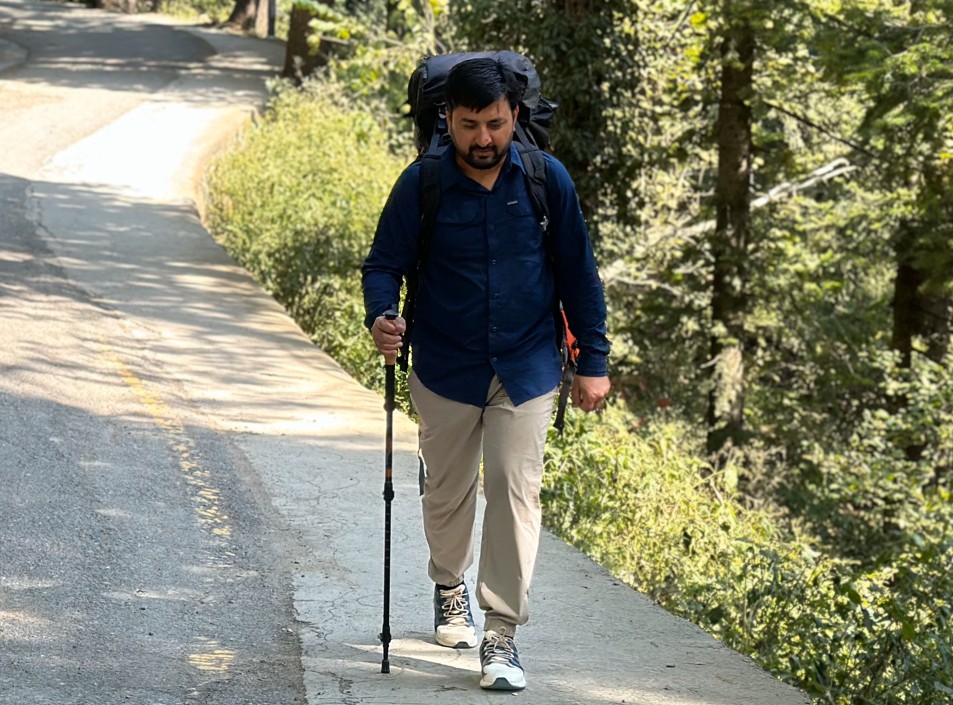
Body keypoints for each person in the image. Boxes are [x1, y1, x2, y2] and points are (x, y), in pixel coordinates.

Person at [361, 57, 610, 691]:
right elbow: (382, 265)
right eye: (469, 124)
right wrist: (382, 315)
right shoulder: (423, 182)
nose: (482, 139)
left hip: (526, 367)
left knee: (514, 488)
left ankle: (500, 635)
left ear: (514, 116)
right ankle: (449, 586)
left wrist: (593, 362)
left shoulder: (545, 179)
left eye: (494, 124)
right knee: (447, 493)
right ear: (448, 119)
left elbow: (580, 274)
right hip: (445, 366)